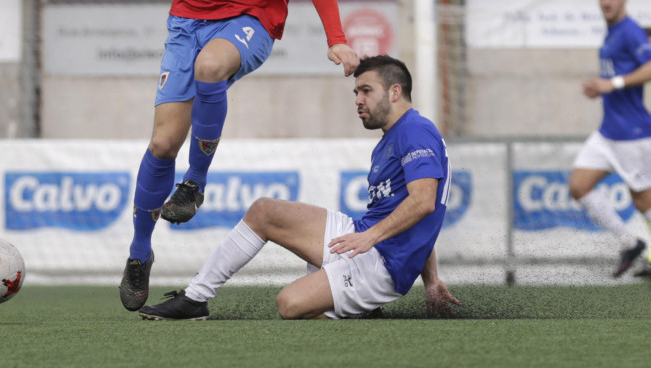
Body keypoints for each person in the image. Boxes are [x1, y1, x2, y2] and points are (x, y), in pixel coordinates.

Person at [84, 0, 359, 311]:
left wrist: (336, 38)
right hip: (187, 20)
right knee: (162, 142)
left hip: (252, 17)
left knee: (212, 67)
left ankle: (196, 183)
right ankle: (139, 252)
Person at [138, 55, 460, 320]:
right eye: (355, 93)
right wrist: (431, 281)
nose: (358, 100)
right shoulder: (391, 140)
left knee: (289, 305)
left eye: (366, 91)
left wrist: (371, 238)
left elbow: (423, 203)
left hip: (384, 264)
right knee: (264, 211)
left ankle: (359, 309)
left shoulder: (416, 131)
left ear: (394, 92)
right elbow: (414, 213)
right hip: (365, 236)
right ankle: (196, 298)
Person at [568, 0, 651, 278]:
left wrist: (612, 83)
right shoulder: (611, 32)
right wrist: (600, 88)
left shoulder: (630, 31)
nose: (607, 2)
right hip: (608, 133)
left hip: (633, 135)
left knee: (643, 202)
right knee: (578, 186)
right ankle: (629, 242)